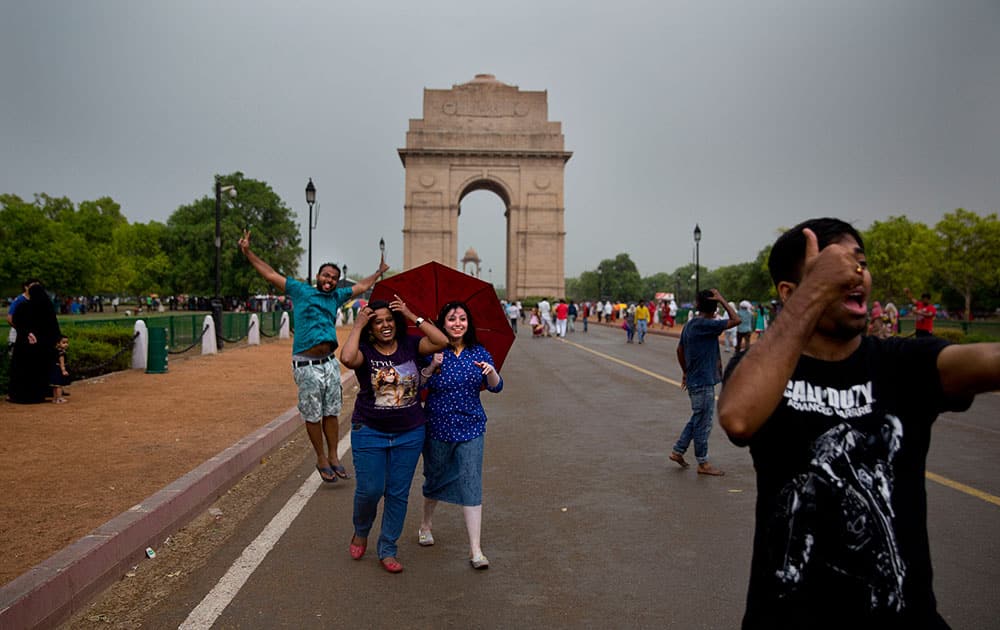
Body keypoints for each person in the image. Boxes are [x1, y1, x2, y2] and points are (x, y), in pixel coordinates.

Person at [717, 217, 1000, 628]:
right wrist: (814, 293)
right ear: (790, 292)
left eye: (859, 263)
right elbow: (738, 418)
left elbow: (984, 362)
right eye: (833, 266)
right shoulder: (764, 372)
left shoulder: (901, 365)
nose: (854, 274)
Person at [239, 229, 388, 483]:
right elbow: (270, 273)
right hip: (306, 364)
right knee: (312, 414)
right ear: (318, 276)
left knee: (331, 412)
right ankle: (320, 457)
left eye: (334, 277)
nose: (329, 280)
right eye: (326, 275)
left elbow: (362, 286)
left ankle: (333, 455)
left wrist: (379, 271)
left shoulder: (337, 296)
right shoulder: (301, 291)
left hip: (329, 363)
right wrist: (248, 252)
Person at [340, 296, 448, 573]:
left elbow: (441, 341)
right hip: (369, 431)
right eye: (378, 322)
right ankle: (361, 529)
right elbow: (347, 358)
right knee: (371, 490)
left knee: (398, 493)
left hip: (409, 432)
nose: (385, 325)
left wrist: (412, 314)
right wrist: (358, 324)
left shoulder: (412, 345)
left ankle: (387, 547)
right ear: (370, 327)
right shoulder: (365, 350)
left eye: (389, 320)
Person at [417, 301, 504, 570]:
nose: (458, 323)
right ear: (442, 324)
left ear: (469, 323)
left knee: (471, 481)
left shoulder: (479, 352)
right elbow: (418, 384)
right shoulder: (432, 349)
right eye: (452, 319)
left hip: (471, 427)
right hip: (437, 426)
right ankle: (426, 524)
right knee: (435, 478)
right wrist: (431, 366)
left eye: (463, 319)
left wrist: (491, 373)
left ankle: (475, 549)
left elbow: (497, 387)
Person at [669, 289, 739, 476]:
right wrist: (723, 299)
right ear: (714, 307)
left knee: (697, 418)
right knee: (703, 423)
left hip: (695, 379)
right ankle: (703, 463)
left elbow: (679, 350)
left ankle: (678, 450)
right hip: (703, 381)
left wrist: (685, 372)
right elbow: (736, 319)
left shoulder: (691, 324)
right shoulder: (707, 325)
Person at [8, 283, 61, 404]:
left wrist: (27, 333)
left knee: (22, 371)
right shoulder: (46, 307)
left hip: (24, 346)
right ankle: (39, 394)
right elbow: (53, 328)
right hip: (42, 347)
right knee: (40, 371)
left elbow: (16, 322)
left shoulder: (22, 307)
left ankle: (19, 395)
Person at [51, 335, 70, 404]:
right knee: (59, 385)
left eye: (67, 342)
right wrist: (64, 370)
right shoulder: (61, 353)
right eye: (64, 342)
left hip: (54, 368)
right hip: (59, 369)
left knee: (55, 385)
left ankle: (54, 398)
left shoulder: (55, 350)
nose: (66, 344)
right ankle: (59, 398)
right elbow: (62, 362)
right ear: (58, 343)